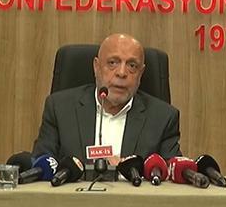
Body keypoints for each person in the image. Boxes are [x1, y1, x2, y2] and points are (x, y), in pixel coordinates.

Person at [32, 33, 182, 162]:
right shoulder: (60, 108)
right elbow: (42, 165)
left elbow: (171, 174)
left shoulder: (163, 118)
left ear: (141, 73)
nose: (122, 73)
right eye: (112, 63)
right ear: (96, 67)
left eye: (132, 66)